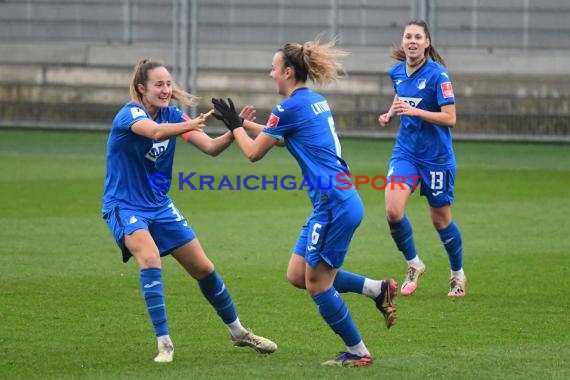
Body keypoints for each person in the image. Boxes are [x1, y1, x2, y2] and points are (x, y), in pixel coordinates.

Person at [211, 38, 397, 368]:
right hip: (336, 200)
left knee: (317, 284)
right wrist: (242, 125)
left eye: (273, 68)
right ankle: (376, 289)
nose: (270, 74)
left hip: (334, 204)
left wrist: (236, 126)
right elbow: (281, 137)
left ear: (286, 71)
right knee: (299, 274)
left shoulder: (288, 108)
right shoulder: (314, 101)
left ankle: (358, 352)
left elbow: (254, 153)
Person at [101, 58, 277, 363]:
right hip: (125, 204)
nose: (166, 89)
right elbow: (155, 132)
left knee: (204, 269)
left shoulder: (173, 114)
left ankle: (238, 332)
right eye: (159, 84)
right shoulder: (130, 113)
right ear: (142, 88)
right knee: (150, 256)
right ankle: (164, 343)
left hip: (159, 205)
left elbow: (210, 147)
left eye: (168, 83)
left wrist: (233, 128)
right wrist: (190, 124)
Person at [378, 20, 466, 297]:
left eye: (418, 37)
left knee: (440, 221)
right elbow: (401, 96)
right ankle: (414, 264)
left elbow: (450, 118)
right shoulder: (396, 72)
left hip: (436, 159)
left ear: (427, 42)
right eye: (408, 37)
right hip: (406, 153)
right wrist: (390, 113)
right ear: (403, 42)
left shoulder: (439, 75)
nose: (412, 41)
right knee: (393, 210)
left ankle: (457, 275)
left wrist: (417, 113)